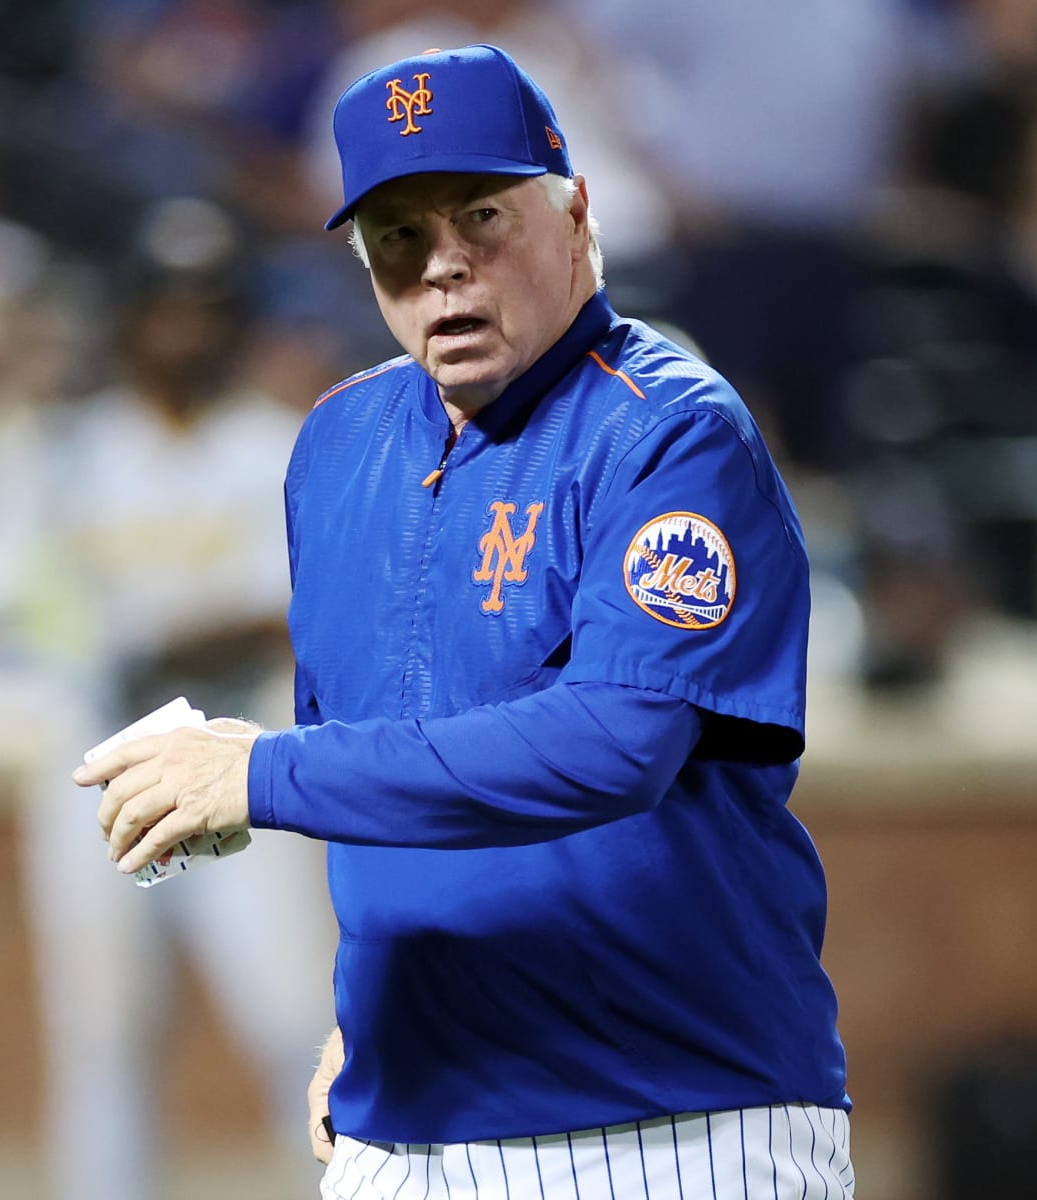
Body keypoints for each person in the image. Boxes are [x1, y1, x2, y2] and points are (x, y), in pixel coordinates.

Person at [75, 45, 853, 1199]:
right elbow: (377, 770)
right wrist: (369, 1010)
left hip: (667, 1117)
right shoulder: (334, 445)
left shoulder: (669, 432)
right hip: (407, 1115)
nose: (442, 264)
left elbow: (614, 745)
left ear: (576, 214)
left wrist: (263, 773)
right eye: (398, 234)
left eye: (481, 216)